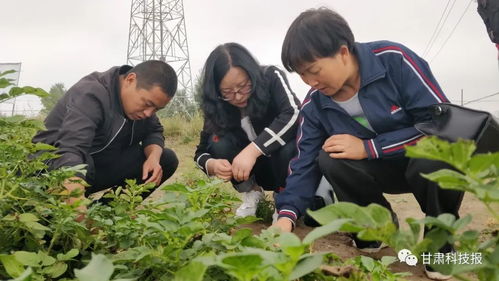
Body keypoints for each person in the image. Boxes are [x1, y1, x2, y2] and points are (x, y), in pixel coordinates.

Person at [272, 8, 463, 280]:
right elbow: (303, 163)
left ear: (342, 52)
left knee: (438, 153)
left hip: (422, 163)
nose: (310, 82)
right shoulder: (315, 104)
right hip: (378, 172)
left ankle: (439, 242)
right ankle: (375, 228)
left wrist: (369, 148)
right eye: (302, 75)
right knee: (330, 157)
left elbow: (440, 125)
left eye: (314, 70)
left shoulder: (394, 61)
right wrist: (286, 217)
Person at [32, 60, 179, 207]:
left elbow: (154, 131)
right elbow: (71, 149)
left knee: (165, 159)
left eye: (156, 109)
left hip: (95, 167)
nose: (148, 113)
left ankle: (107, 214)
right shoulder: (92, 93)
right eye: (147, 104)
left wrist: (153, 157)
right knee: (83, 165)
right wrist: (76, 203)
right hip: (51, 169)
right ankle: (71, 211)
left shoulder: (141, 109)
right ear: (130, 80)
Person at [194, 42, 300, 217]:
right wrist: (211, 165)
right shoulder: (217, 105)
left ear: (252, 75)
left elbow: (293, 114)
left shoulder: (271, 77)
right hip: (253, 172)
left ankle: (284, 199)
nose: (237, 96)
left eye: (243, 86)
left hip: (284, 166)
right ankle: (252, 192)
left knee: (289, 145)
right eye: (227, 92)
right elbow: (201, 152)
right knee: (219, 144)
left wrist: (253, 150)